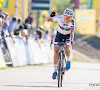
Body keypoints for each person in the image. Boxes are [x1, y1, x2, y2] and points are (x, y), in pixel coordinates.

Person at [45, 8, 75, 79]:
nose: (67, 19)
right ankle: (55, 71)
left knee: (67, 47)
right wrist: (51, 15)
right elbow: (47, 20)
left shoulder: (72, 21)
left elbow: (72, 32)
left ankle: (68, 61)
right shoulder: (59, 18)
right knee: (56, 51)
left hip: (67, 36)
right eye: (66, 17)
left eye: (69, 18)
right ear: (63, 15)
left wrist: (71, 40)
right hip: (59, 35)